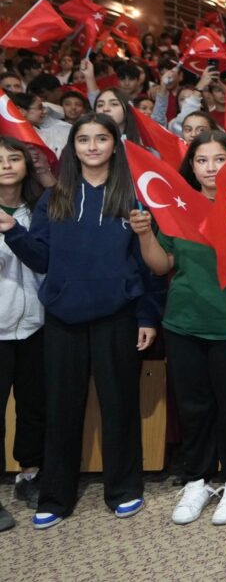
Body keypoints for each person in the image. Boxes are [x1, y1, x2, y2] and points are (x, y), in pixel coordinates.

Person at [0, 114, 163, 530]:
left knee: (120, 405)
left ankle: (123, 489)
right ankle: (55, 496)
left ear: (114, 145)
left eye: (101, 138)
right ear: (72, 147)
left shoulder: (133, 195)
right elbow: (41, 260)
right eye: (84, 139)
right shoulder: (54, 198)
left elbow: (147, 265)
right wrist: (13, 231)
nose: (92, 146)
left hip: (118, 316)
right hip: (63, 319)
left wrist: (147, 314)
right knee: (61, 408)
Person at [130, 131, 226, 526]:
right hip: (183, 323)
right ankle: (198, 479)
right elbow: (162, 264)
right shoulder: (178, 207)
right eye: (202, 160)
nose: (211, 168)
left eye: (219, 159)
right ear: (191, 166)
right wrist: (145, 234)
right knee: (193, 407)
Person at [0, 138, 47, 532]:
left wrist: (16, 231)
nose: (6, 165)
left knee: (34, 405)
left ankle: (29, 474)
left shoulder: (41, 209)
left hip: (36, 324)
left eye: (14, 158)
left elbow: (45, 260)